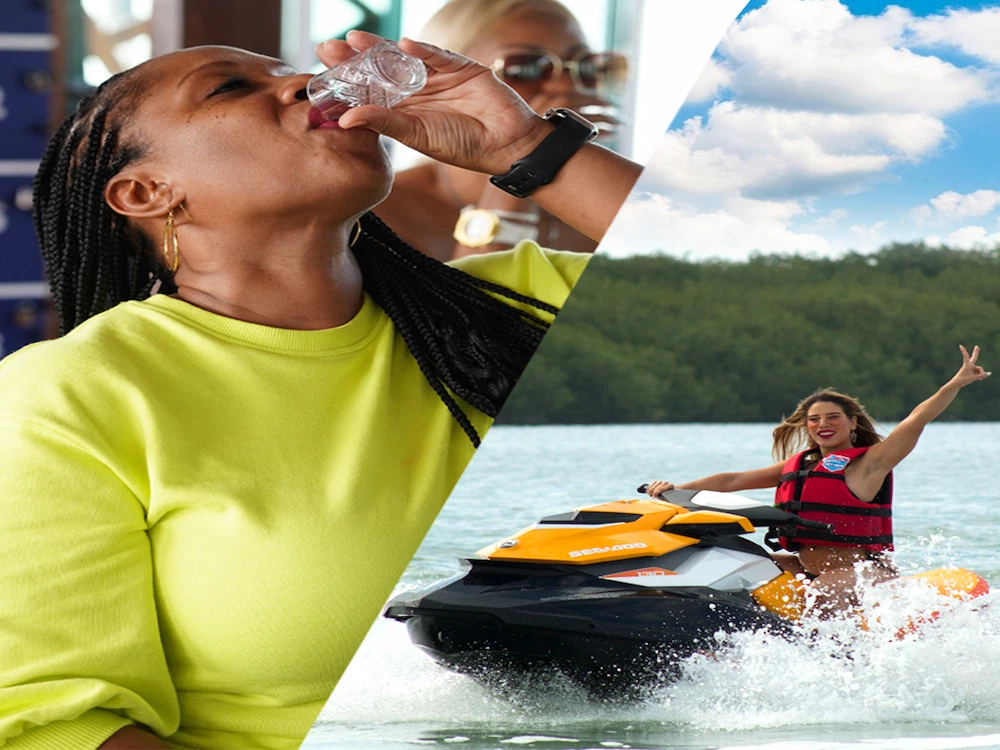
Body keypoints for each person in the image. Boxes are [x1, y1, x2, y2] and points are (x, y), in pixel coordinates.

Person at [0, 32, 642, 750]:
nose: (306, 82)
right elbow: (57, 723)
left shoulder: (518, 306)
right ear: (147, 193)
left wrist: (524, 144)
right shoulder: (73, 395)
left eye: (294, 71)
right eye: (228, 87)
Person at [645, 346, 990, 616]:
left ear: (852, 422)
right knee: (725, 566)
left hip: (861, 570)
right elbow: (733, 479)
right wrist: (674, 491)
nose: (823, 424)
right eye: (814, 419)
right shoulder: (801, 466)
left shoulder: (871, 463)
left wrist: (954, 383)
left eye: (833, 417)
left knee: (820, 596)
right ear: (807, 426)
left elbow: (917, 419)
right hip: (801, 564)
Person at [375, 0, 629, 260]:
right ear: (445, 81)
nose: (567, 87)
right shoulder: (378, 209)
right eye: (527, 68)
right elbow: (476, 299)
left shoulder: (606, 208)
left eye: (586, 67)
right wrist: (529, 163)